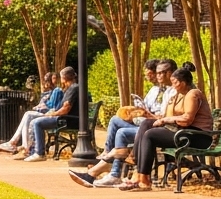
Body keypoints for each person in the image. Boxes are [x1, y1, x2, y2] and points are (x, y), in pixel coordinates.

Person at [69, 60, 178, 188]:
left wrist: (149, 115)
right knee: (115, 119)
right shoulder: (161, 91)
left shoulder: (174, 92)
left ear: (170, 73)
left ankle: (112, 170)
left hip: (155, 128)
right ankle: (108, 156)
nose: (156, 76)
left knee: (122, 133)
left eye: (160, 73)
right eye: (157, 73)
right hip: (147, 124)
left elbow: (165, 118)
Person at [120, 65, 214, 192]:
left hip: (198, 136)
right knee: (147, 123)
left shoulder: (193, 94)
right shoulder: (182, 94)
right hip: (187, 133)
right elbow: (173, 116)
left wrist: (165, 120)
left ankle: (144, 179)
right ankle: (138, 172)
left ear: (183, 82)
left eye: (175, 83)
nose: (173, 86)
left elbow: (187, 119)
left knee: (150, 135)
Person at [23, 66, 83, 162]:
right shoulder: (70, 88)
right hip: (66, 118)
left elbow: (66, 109)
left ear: (64, 78)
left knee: (37, 123)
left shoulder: (73, 88)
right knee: (35, 121)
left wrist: (53, 114)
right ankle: (32, 151)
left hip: (67, 120)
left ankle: (39, 153)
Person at [0, 72, 62, 154]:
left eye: (47, 80)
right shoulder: (51, 92)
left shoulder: (57, 91)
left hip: (51, 115)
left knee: (28, 114)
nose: (45, 83)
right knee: (28, 116)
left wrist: (40, 108)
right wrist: (40, 107)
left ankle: (19, 145)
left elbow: (53, 107)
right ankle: (18, 144)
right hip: (48, 114)